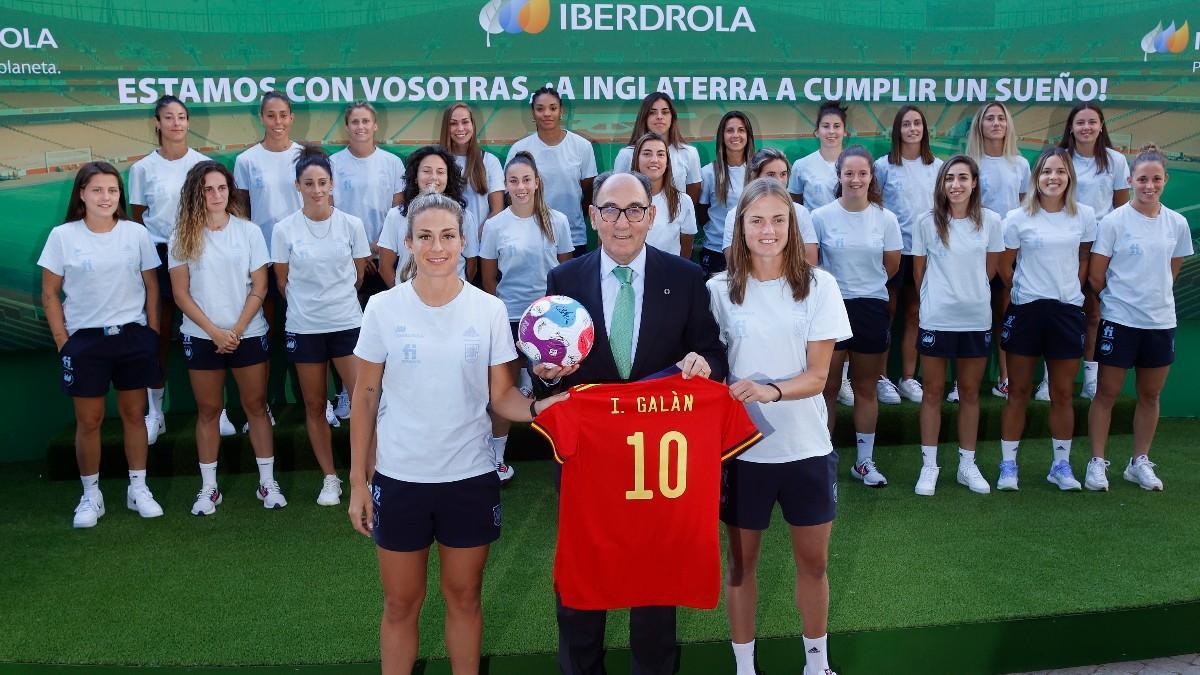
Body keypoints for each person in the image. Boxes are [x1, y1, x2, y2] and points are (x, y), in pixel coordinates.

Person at [347, 192, 567, 675]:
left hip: (469, 476)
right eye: (425, 237)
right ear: (408, 243)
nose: (437, 247)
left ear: (464, 242)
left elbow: (502, 397)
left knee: (464, 598)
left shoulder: (487, 310)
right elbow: (363, 397)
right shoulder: (383, 308)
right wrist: (359, 483)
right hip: (400, 478)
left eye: (447, 236)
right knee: (401, 604)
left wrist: (540, 406)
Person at [536, 171, 727, 675]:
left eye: (634, 209)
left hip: (657, 471)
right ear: (594, 217)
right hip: (589, 464)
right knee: (582, 585)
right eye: (611, 210)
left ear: (652, 215)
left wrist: (703, 364)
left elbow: (712, 353)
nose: (623, 221)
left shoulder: (686, 278)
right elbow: (550, 379)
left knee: (654, 590)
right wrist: (547, 376)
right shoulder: (565, 280)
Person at [709, 178, 850, 675]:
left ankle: (817, 664)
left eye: (778, 220)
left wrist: (768, 390)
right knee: (741, 568)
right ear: (740, 227)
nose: (768, 230)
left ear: (792, 227)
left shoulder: (820, 286)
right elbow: (707, 362)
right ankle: (745, 668)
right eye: (756, 220)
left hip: (806, 450)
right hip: (743, 456)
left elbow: (817, 376)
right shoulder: (717, 290)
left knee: (814, 564)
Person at [38, 161, 164, 528]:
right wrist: (64, 342)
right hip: (85, 343)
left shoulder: (135, 233)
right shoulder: (63, 236)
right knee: (89, 421)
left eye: (112, 190)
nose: (105, 197)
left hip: (132, 337)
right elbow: (49, 293)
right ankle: (91, 494)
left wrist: (151, 333)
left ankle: (138, 487)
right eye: (96, 190)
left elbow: (152, 286)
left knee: (134, 415)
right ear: (81, 194)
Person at [168, 161, 280, 513]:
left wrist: (236, 330)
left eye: (221, 188)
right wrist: (215, 332)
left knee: (256, 408)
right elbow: (181, 294)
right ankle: (209, 488)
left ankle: (267, 483)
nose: (216, 195)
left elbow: (260, 286)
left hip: (248, 333)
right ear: (195, 194)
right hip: (202, 337)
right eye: (207, 189)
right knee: (209, 410)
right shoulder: (181, 235)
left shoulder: (248, 232)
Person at [1085, 145, 1192, 492]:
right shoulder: (1114, 221)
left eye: (1156, 179)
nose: (1149, 185)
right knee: (1107, 393)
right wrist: (1120, 303)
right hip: (1119, 320)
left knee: (1150, 395)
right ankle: (1097, 463)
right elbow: (1097, 277)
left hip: (1160, 322)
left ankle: (1139, 461)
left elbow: (1171, 272)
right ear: (1130, 180)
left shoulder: (1177, 223)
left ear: (1165, 180)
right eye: (1142, 179)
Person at [271, 144, 371, 506]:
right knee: (315, 406)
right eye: (309, 183)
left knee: (362, 402)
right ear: (298, 186)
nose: (316, 190)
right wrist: (309, 307)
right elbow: (282, 281)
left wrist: (336, 301)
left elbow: (359, 274)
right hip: (304, 327)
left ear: (331, 185)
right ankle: (330, 479)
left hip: (347, 323)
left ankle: (366, 475)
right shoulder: (284, 230)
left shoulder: (351, 225)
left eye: (322, 182)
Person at [997, 147, 1096, 492]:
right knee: (1018, 392)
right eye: (1046, 172)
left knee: (1063, 393)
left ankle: (1061, 465)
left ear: (1069, 177)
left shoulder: (1084, 215)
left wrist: (1068, 290)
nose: (1053, 178)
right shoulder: (1016, 218)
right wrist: (1025, 289)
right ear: (1036, 178)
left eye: (1060, 172)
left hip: (1066, 313)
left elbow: (1083, 258)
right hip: (1026, 311)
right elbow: (1004, 266)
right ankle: (1008, 465)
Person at [909, 156, 1003, 496]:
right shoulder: (926, 223)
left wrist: (968, 295)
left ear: (974, 183)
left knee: (969, 392)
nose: (956, 185)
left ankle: (966, 465)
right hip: (936, 319)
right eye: (950, 178)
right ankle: (929, 466)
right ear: (942, 183)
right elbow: (919, 272)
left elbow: (991, 270)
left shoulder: (992, 222)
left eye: (963, 178)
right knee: (932, 392)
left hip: (976, 320)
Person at [479, 151, 574, 482]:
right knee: (502, 395)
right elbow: (489, 278)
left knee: (554, 395)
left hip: (549, 322)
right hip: (508, 320)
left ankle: (566, 459)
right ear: (505, 185)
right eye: (513, 180)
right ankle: (496, 460)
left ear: (537, 183)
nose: (520, 187)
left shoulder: (557, 221)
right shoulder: (494, 226)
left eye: (526, 180)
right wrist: (498, 316)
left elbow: (565, 272)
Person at [812, 146, 902, 488]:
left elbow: (891, 265)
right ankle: (822, 460)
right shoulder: (820, 216)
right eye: (848, 173)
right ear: (839, 177)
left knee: (866, 387)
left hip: (871, 308)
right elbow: (814, 266)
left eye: (861, 173)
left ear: (870, 177)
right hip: (831, 309)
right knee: (828, 388)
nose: (855, 179)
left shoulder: (886, 218)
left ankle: (864, 462)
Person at [127, 95, 210, 445]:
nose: (176, 123)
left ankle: (215, 411)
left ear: (188, 122)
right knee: (157, 335)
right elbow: (137, 216)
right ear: (157, 124)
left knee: (208, 328)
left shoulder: (204, 164)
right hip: (159, 256)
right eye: (168, 117)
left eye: (181, 117)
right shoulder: (142, 168)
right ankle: (155, 413)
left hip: (200, 253)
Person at [331, 101, 406, 420]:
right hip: (346, 260)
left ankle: (390, 392)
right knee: (349, 333)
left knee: (388, 330)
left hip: (385, 257)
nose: (360, 126)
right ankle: (348, 393)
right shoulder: (333, 163)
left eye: (366, 121)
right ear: (347, 127)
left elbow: (398, 210)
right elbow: (332, 210)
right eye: (354, 121)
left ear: (375, 126)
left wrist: (378, 248)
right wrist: (359, 250)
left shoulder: (392, 164)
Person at [233, 91, 302, 428]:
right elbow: (243, 211)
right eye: (271, 115)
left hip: (302, 259)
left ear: (291, 118)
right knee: (268, 334)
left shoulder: (305, 156)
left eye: (284, 115)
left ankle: (319, 405)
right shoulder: (247, 160)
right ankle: (263, 407)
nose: (278, 122)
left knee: (309, 331)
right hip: (262, 259)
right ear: (261, 117)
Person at [1057, 103, 1130, 401]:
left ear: (1101, 126)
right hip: (1065, 243)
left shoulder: (1115, 160)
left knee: (1094, 313)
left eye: (1092, 122)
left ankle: (1090, 379)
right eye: (1080, 122)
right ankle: (1052, 378)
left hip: (1101, 247)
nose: (1086, 127)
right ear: (1071, 127)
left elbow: (1122, 209)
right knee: (1061, 310)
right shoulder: (1061, 158)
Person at [875, 105, 943, 405]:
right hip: (892, 250)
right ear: (897, 131)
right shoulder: (883, 166)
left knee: (916, 313)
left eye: (917, 123)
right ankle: (881, 378)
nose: (912, 129)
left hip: (924, 252)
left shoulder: (938, 166)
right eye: (906, 124)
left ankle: (908, 377)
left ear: (924, 129)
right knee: (886, 313)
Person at [965, 101, 1030, 400]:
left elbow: (1025, 208)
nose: (995, 123)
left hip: (1010, 250)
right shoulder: (970, 162)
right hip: (975, 248)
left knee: (1006, 314)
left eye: (1000, 118)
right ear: (980, 125)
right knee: (971, 311)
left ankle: (1005, 378)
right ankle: (962, 382)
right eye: (989, 118)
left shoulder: (1020, 164)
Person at [506, 86, 598, 256]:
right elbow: (511, 195)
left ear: (561, 111)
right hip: (530, 236)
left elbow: (589, 191)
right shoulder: (519, 148)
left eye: (553, 108)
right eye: (540, 109)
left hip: (573, 236)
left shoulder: (582, 146)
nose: (547, 113)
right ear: (533, 113)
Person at [378, 145, 479, 285]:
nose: (433, 177)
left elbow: (471, 266)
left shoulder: (464, 217)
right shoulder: (395, 216)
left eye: (440, 172)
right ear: (415, 176)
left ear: (448, 178)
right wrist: (401, 295)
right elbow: (385, 267)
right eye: (426, 171)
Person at [722, 148, 818, 265]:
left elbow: (810, 262)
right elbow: (734, 263)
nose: (779, 180)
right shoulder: (735, 214)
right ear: (754, 176)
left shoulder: (801, 212)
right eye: (771, 174)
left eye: (783, 174)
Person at [612, 93, 702, 205]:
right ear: (644, 117)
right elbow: (617, 194)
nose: (659, 116)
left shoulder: (689, 153)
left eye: (665, 112)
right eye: (652, 112)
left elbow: (693, 195)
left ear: (672, 117)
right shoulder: (626, 154)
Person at [698, 111, 755, 276]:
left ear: (748, 135)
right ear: (722, 136)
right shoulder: (708, 173)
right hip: (716, 250)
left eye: (741, 130)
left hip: (751, 250)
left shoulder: (758, 170)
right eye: (730, 130)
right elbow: (702, 213)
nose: (735, 135)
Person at [629, 132, 697, 257]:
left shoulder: (683, 201)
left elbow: (686, 249)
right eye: (647, 154)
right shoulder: (621, 200)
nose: (654, 160)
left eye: (660, 154)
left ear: (667, 162)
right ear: (636, 159)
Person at [441, 102, 505, 232]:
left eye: (465, 122)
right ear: (446, 128)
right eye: (453, 123)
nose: (460, 128)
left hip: (481, 244)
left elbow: (497, 211)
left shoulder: (490, 161)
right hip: (445, 244)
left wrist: (476, 241)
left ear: (473, 125)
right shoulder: (437, 162)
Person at [788, 100, 847, 210]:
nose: (831, 131)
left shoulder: (854, 164)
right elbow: (795, 206)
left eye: (837, 126)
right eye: (826, 126)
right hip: (812, 227)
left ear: (845, 132)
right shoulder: (801, 165)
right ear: (817, 132)